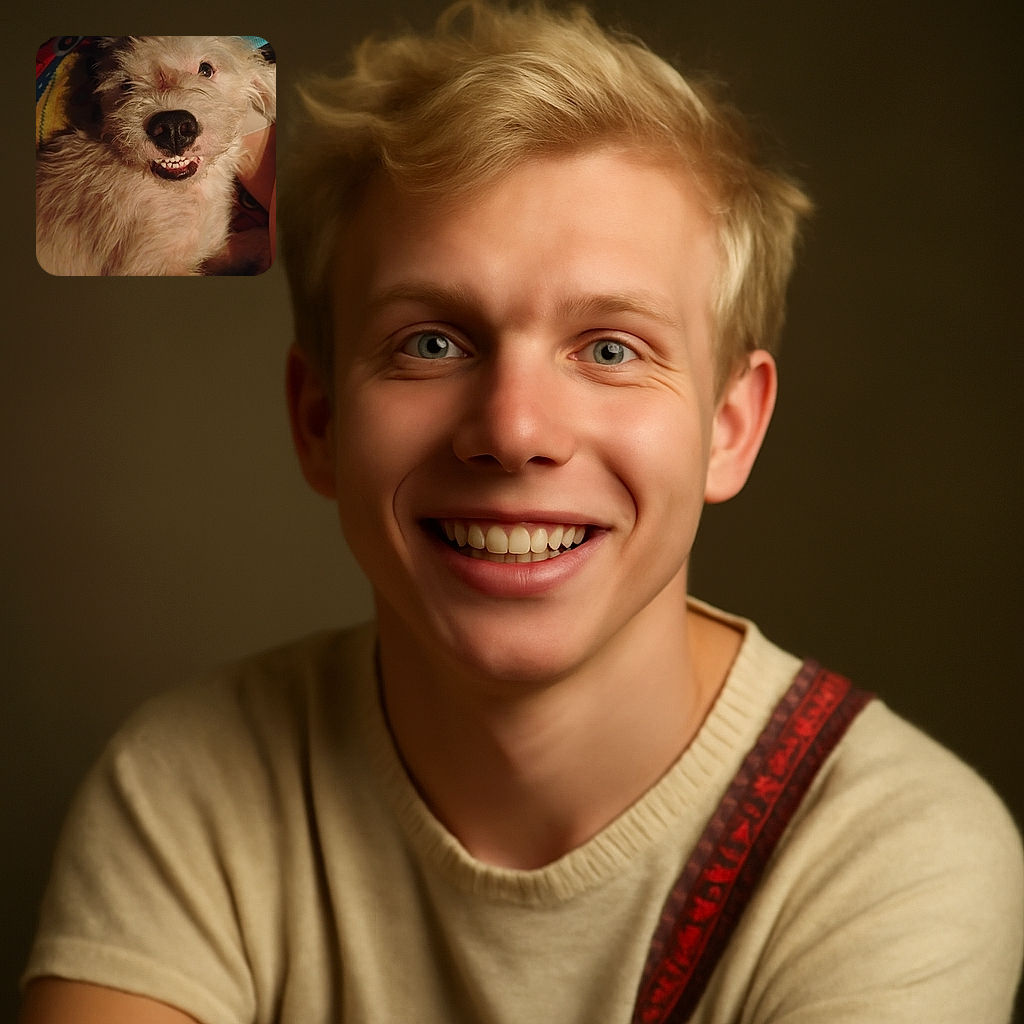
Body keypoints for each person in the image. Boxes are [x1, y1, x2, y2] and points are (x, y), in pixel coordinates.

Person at [19, 2, 1023, 1021]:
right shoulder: (188, 784)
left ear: (727, 426)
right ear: (317, 418)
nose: (513, 428)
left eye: (610, 349)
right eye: (432, 342)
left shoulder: (890, 848)